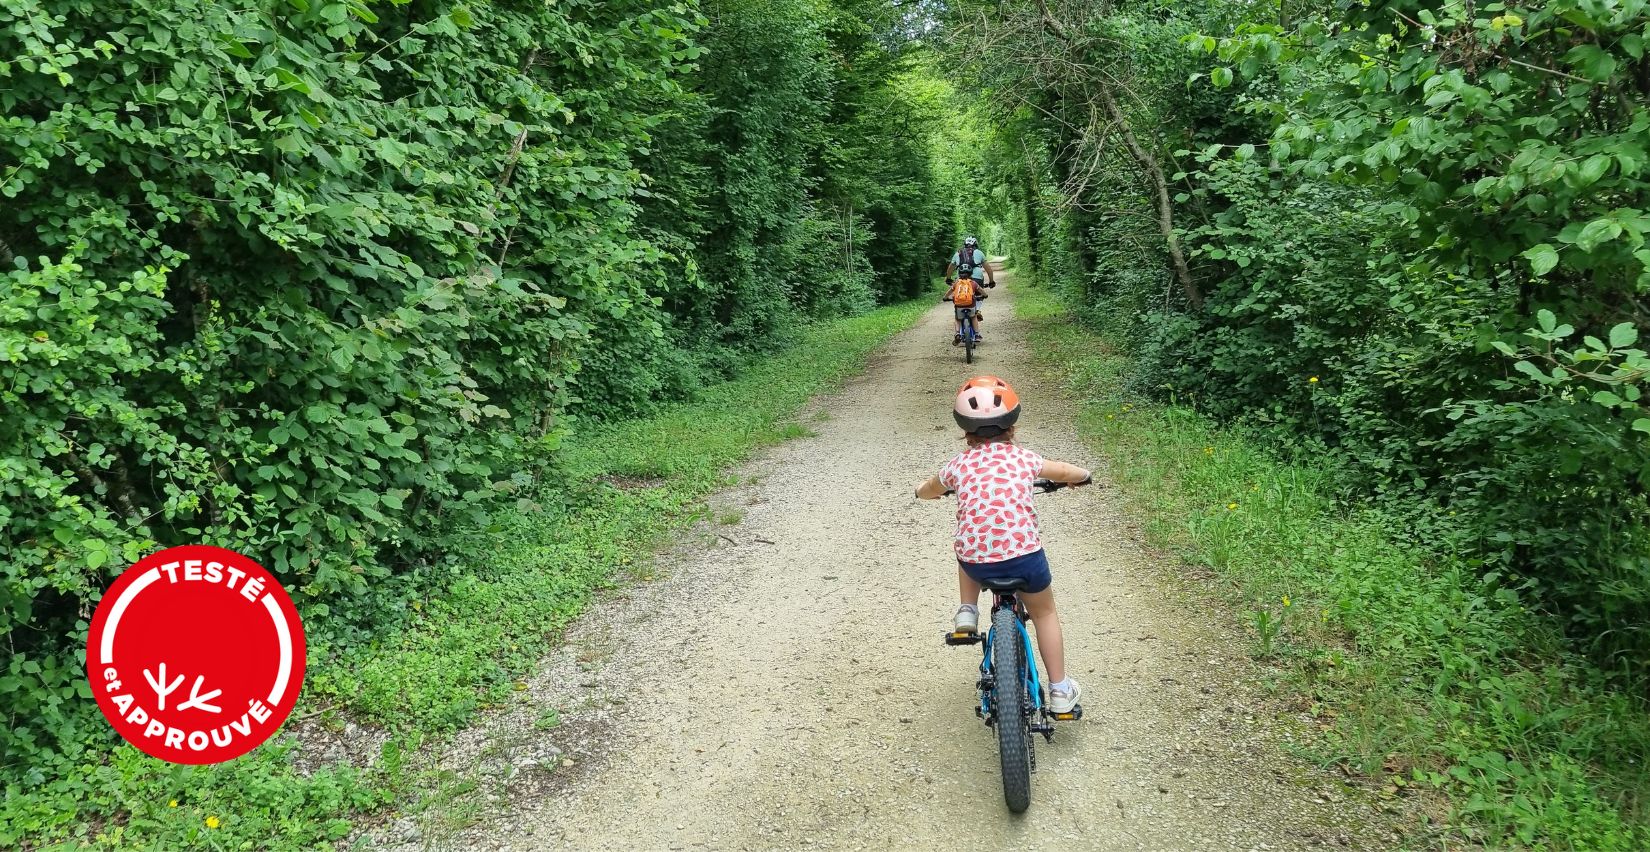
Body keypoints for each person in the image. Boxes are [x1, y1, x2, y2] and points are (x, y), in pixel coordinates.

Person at [913, 376, 1092, 714]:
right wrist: (1083, 475)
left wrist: (921, 491)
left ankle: (967, 610)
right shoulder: (1025, 460)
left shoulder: (957, 466)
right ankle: (1059, 690)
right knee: (1044, 612)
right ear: (1013, 427)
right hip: (1025, 559)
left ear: (965, 431)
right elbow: (1065, 471)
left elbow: (930, 489)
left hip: (978, 564)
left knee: (966, 545)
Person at [944, 236, 996, 344]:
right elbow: (988, 268)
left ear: (964, 245)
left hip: (961, 279)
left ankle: (959, 331)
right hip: (977, 279)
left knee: (960, 297)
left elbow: (951, 267)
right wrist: (991, 281)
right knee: (978, 296)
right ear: (975, 245)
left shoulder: (958, 253)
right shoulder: (979, 253)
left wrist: (948, 278)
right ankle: (976, 311)